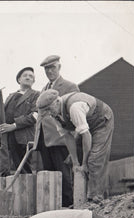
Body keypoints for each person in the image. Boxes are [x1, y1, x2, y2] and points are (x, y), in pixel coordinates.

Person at [36, 89, 114, 202]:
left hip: (101, 122)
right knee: (70, 161)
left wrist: (84, 163)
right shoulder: (55, 114)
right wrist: (76, 163)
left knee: (94, 159)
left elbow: (86, 135)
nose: (49, 113)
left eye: (49, 109)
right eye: (45, 111)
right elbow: (67, 137)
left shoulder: (74, 107)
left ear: (57, 101)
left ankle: (96, 198)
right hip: (86, 125)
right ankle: (79, 199)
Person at [36, 55, 80, 207]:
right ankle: (54, 206)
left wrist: (73, 141)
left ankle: (68, 205)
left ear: (59, 67)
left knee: (64, 176)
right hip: (45, 140)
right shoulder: (44, 89)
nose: (49, 71)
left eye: (52, 67)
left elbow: (72, 117)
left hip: (61, 140)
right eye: (46, 68)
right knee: (50, 176)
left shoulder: (69, 86)